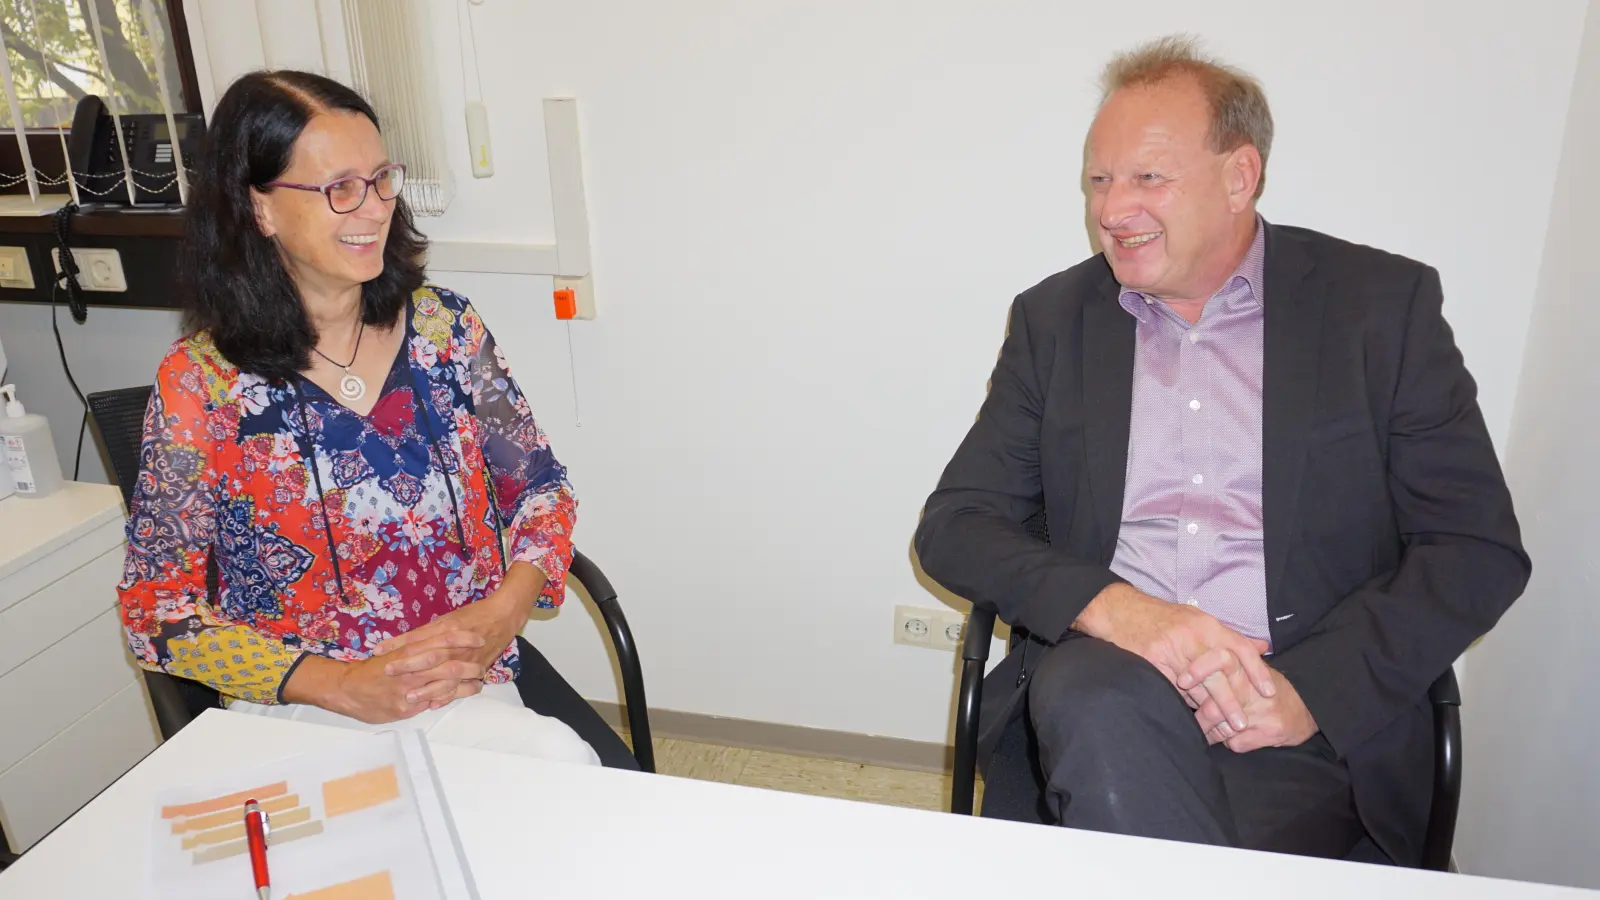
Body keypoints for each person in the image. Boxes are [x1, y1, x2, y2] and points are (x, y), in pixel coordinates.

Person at [913, 36, 1529, 864]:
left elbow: (1474, 549)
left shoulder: (1378, 311)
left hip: (1300, 714)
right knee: (1093, 696)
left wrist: (1310, 693)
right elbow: (958, 523)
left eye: (1148, 178)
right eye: (1099, 179)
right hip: (1104, 684)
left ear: (1241, 177)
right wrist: (1123, 613)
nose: (1111, 208)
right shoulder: (1056, 320)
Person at [117, 69, 623, 767]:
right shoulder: (201, 385)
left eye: (382, 178)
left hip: (462, 686)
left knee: (554, 784)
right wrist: (344, 686)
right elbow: (156, 612)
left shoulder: (445, 329)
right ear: (258, 208)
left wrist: (500, 616)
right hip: (305, 709)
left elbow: (541, 490)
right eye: (339, 188)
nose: (374, 208)